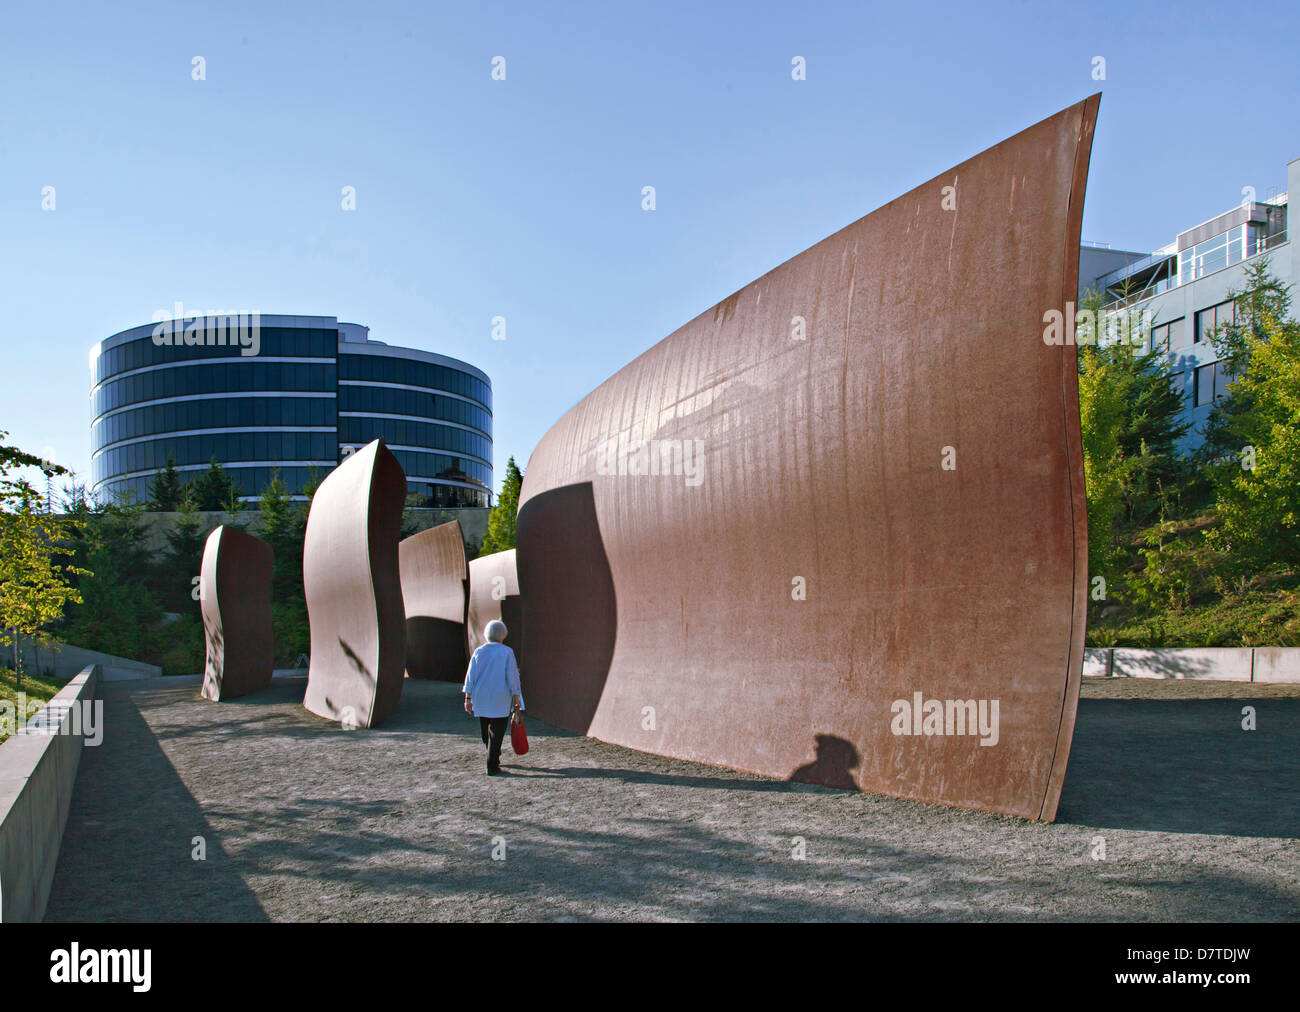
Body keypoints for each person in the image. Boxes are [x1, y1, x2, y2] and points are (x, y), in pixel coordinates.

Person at [462, 620, 524, 775]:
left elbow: (471, 676)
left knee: (486, 730)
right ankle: (492, 765)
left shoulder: (479, 651)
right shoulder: (507, 652)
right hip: (500, 697)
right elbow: (512, 675)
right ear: (503, 635)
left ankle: (493, 755)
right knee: (497, 731)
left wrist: (468, 698)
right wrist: (516, 696)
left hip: (480, 697)